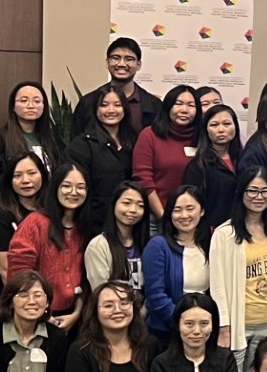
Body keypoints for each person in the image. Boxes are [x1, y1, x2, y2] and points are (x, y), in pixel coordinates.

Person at [210, 167, 267, 372]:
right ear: (241, 192)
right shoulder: (224, 234)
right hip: (239, 324)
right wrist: (224, 326)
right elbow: (217, 286)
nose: (259, 197)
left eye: (265, 191)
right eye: (252, 190)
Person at [7, 162, 90, 328]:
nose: (74, 192)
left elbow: (85, 280)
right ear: (55, 188)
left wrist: (76, 314)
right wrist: (43, 316)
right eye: (66, 186)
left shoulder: (85, 228)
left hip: (74, 318)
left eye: (80, 187)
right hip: (34, 317)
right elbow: (19, 276)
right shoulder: (35, 223)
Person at [143, 186, 211, 349]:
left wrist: (201, 325)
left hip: (203, 333)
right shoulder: (158, 245)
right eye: (177, 210)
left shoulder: (210, 244)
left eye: (190, 208)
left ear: (201, 211)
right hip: (166, 334)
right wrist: (185, 323)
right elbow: (156, 296)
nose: (184, 215)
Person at [65, 88, 135, 234]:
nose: (111, 110)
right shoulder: (82, 145)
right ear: (95, 110)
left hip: (129, 222)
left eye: (117, 105)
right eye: (104, 105)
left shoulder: (134, 141)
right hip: (93, 224)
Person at [133, 86, 200, 218]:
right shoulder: (149, 135)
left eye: (191, 105)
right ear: (168, 107)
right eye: (178, 104)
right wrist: (163, 217)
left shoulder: (203, 138)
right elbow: (144, 179)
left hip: (193, 218)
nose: (184, 110)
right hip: (157, 216)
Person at [72, 38, 160, 139]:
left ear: (138, 65)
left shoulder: (154, 105)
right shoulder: (88, 102)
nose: (121, 64)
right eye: (116, 58)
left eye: (129, 59)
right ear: (107, 62)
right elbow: (76, 145)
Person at [0, 81, 59, 181]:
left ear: (44, 107)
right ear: (13, 106)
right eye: (23, 101)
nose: (31, 106)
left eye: (37, 101)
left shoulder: (52, 139)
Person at [182, 105, 245, 234]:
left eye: (227, 124)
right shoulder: (197, 166)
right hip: (212, 233)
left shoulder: (245, 159)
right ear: (206, 130)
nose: (221, 129)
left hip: (244, 229)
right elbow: (192, 204)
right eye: (214, 125)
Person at [0, 154, 45, 279]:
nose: (25, 180)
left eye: (32, 173)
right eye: (17, 175)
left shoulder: (51, 212)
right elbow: (6, 270)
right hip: (17, 290)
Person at [84, 182, 149, 291]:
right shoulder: (98, 246)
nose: (133, 209)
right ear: (114, 204)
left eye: (140, 205)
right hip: (114, 306)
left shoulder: (147, 244)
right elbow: (101, 291)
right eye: (127, 203)